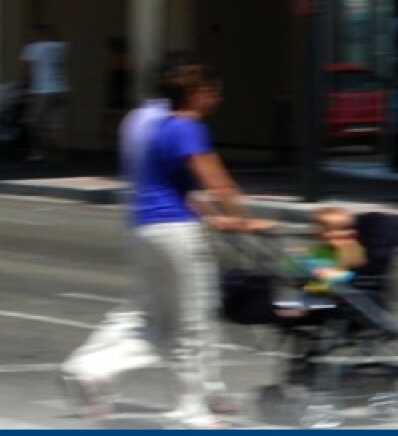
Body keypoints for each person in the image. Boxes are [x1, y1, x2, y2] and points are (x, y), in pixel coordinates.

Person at [61, 60, 262, 428]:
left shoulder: (159, 128)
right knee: (194, 324)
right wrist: (243, 220)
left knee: (156, 322)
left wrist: (214, 215)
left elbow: (178, 187)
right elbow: (219, 184)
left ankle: (93, 370)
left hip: (144, 229)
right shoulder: (188, 128)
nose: (218, 99)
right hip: (175, 233)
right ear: (195, 93)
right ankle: (192, 408)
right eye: (214, 92)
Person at [19, 23, 68, 161]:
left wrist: (23, 84)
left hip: (41, 90)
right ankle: (59, 153)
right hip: (60, 88)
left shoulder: (32, 48)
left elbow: (27, 68)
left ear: (39, 34)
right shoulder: (60, 47)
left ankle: (38, 152)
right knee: (57, 124)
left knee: (33, 122)